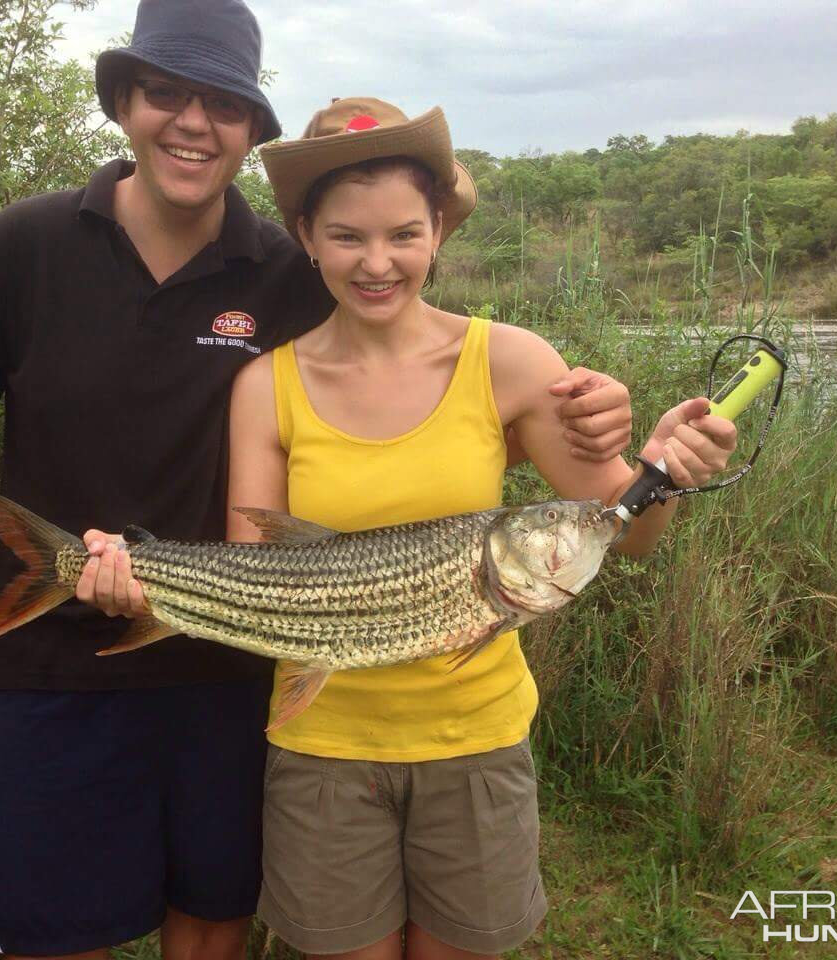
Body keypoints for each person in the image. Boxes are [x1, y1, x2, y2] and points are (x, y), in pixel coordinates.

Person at [0, 3, 634, 959]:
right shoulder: (26, 246)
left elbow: (414, 366)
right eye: (166, 92)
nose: (194, 123)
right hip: (57, 672)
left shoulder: (291, 270)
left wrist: (587, 417)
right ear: (123, 101)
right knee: (46, 937)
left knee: (212, 930)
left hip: (237, 676)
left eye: (226, 104)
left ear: (253, 133)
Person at [227, 99, 738, 959]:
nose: (378, 262)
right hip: (320, 750)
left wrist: (665, 469)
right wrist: (144, 585)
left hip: (477, 745)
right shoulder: (264, 386)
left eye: (404, 234)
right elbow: (254, 576)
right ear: (307, 236)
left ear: (438, 233)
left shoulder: (511, 360)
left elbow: (627, 532)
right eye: (347, 237)